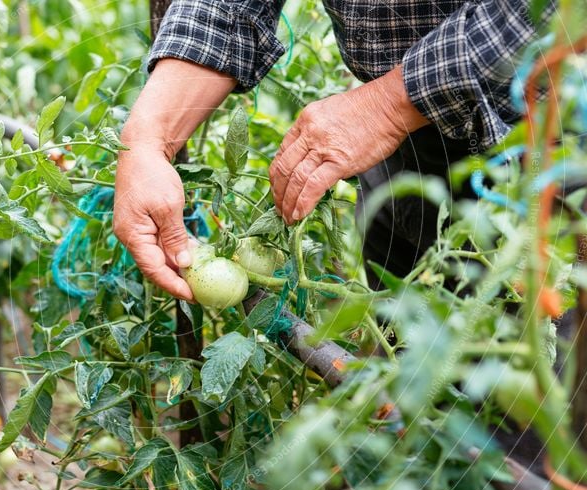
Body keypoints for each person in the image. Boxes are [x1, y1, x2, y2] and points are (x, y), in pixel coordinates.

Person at [112, 0, 552, 299]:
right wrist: (149, 138)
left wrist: (389, 104)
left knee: (537, 395)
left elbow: (551, 14)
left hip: (551, 136)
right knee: (413, 369)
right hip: (401, 149)